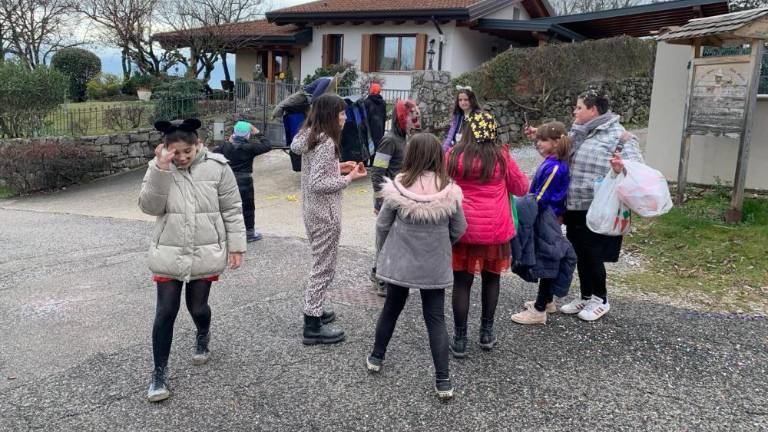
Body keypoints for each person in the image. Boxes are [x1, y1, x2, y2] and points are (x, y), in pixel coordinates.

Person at [138, 118, 246, 402]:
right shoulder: (158, 169)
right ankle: (159, 373)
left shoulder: (218, 168)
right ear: (164, 149)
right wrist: (161, 171)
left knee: (197, 307)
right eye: (176, 153)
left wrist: (236, 246)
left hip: (204, 249)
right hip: (169, 251)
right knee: (165, 312)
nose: (182, 157)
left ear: (198, 144)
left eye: (188, 150)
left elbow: (232, 208)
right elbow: (149, 207)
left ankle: (203, 332)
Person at [525, 89, 643, 321]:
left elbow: (637, 169)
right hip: (574, 206)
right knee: (580, 252)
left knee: (594, 253)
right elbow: (557, 154)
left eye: (579, 107)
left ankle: (601, 298)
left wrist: (621, 169)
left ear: (593, 110)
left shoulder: (620, 136)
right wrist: (538, 135)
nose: (574, 111)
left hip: (598, 205)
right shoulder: (579, 134)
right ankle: (586, 295)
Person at [366, 133, 466, 401]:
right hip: (434, 265)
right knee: (435, 319)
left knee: (391, 310)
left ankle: (376, 356)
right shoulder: (450, 191)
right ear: (438, 156)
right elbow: (459, 228)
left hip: (401, 264)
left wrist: (385, 251)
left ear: (411, 155)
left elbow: (382, 224)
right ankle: (443, 380)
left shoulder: (399, 187)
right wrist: (442, 245)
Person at [447, 112, 529, 358]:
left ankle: (460, 339)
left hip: (463, 230)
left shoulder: (453, 155)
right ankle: (486, 332)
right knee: (491, 279)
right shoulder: (501, 157)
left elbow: (441, 184)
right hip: (495, 231)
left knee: (462, 283)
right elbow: (522, 187)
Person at [290, 93, 367, 345]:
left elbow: (316, 171)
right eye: (341, 113)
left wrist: (339, 166)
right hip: (326, 214)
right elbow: (319, 183)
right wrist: (348, 178)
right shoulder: (325, 142)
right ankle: (312, 324)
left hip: (313, 211)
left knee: (320, 264)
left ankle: (316, 310)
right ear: (330, 116)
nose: (344, 117)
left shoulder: (310, 136)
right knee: (323, 268)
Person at [510, 121, 573, 325]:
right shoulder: (553, 160)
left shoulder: (555, 167)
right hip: (547, 215)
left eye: (543, 140)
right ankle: (546, 301)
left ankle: (539, 310)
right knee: (548, 256)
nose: (538, 143)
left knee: (548, 259)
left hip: (546, 216)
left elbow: (541, 196)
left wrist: (522, 205)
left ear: (556, 143)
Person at [369, 99, 421, 297]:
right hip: (389, 199)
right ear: (401, 117)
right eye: (410, 115)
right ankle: (381, 278)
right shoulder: (390, 140)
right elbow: (377, 170)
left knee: (394, 239)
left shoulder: (404, 138)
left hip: (401, 198)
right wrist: (378, 200)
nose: (414, 119)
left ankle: (379, 273)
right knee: (385, 239)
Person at [214, 121, 272, 242]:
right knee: (248, 207)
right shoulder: (250, 147)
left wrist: (228, 142)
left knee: (227, 207)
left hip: (228, 180)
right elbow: (267, 145)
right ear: (248, 134)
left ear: (234, 133)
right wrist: (257, 132)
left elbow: (212, 155)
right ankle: (249, 233)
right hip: (245, 180)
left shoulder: (224, 147)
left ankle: (226, 232)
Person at [442, 87, 482, 152]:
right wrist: (443, 150)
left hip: (471, 151)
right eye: (460, 100)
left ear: (472, 100)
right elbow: (450, 136)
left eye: (466, 100)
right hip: (456, 150)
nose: (462, 103)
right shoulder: (457, 116)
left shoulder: (479, 116)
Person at [362, 83, 387, 163]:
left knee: (367, 146)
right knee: (378, 147)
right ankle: (375, 164)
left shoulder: (366, 102)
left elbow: (364, 117)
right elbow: (384, 117)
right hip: (379, 129)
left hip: (368, 129)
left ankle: (366, 164)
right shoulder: (383, 103)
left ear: (371, 91)